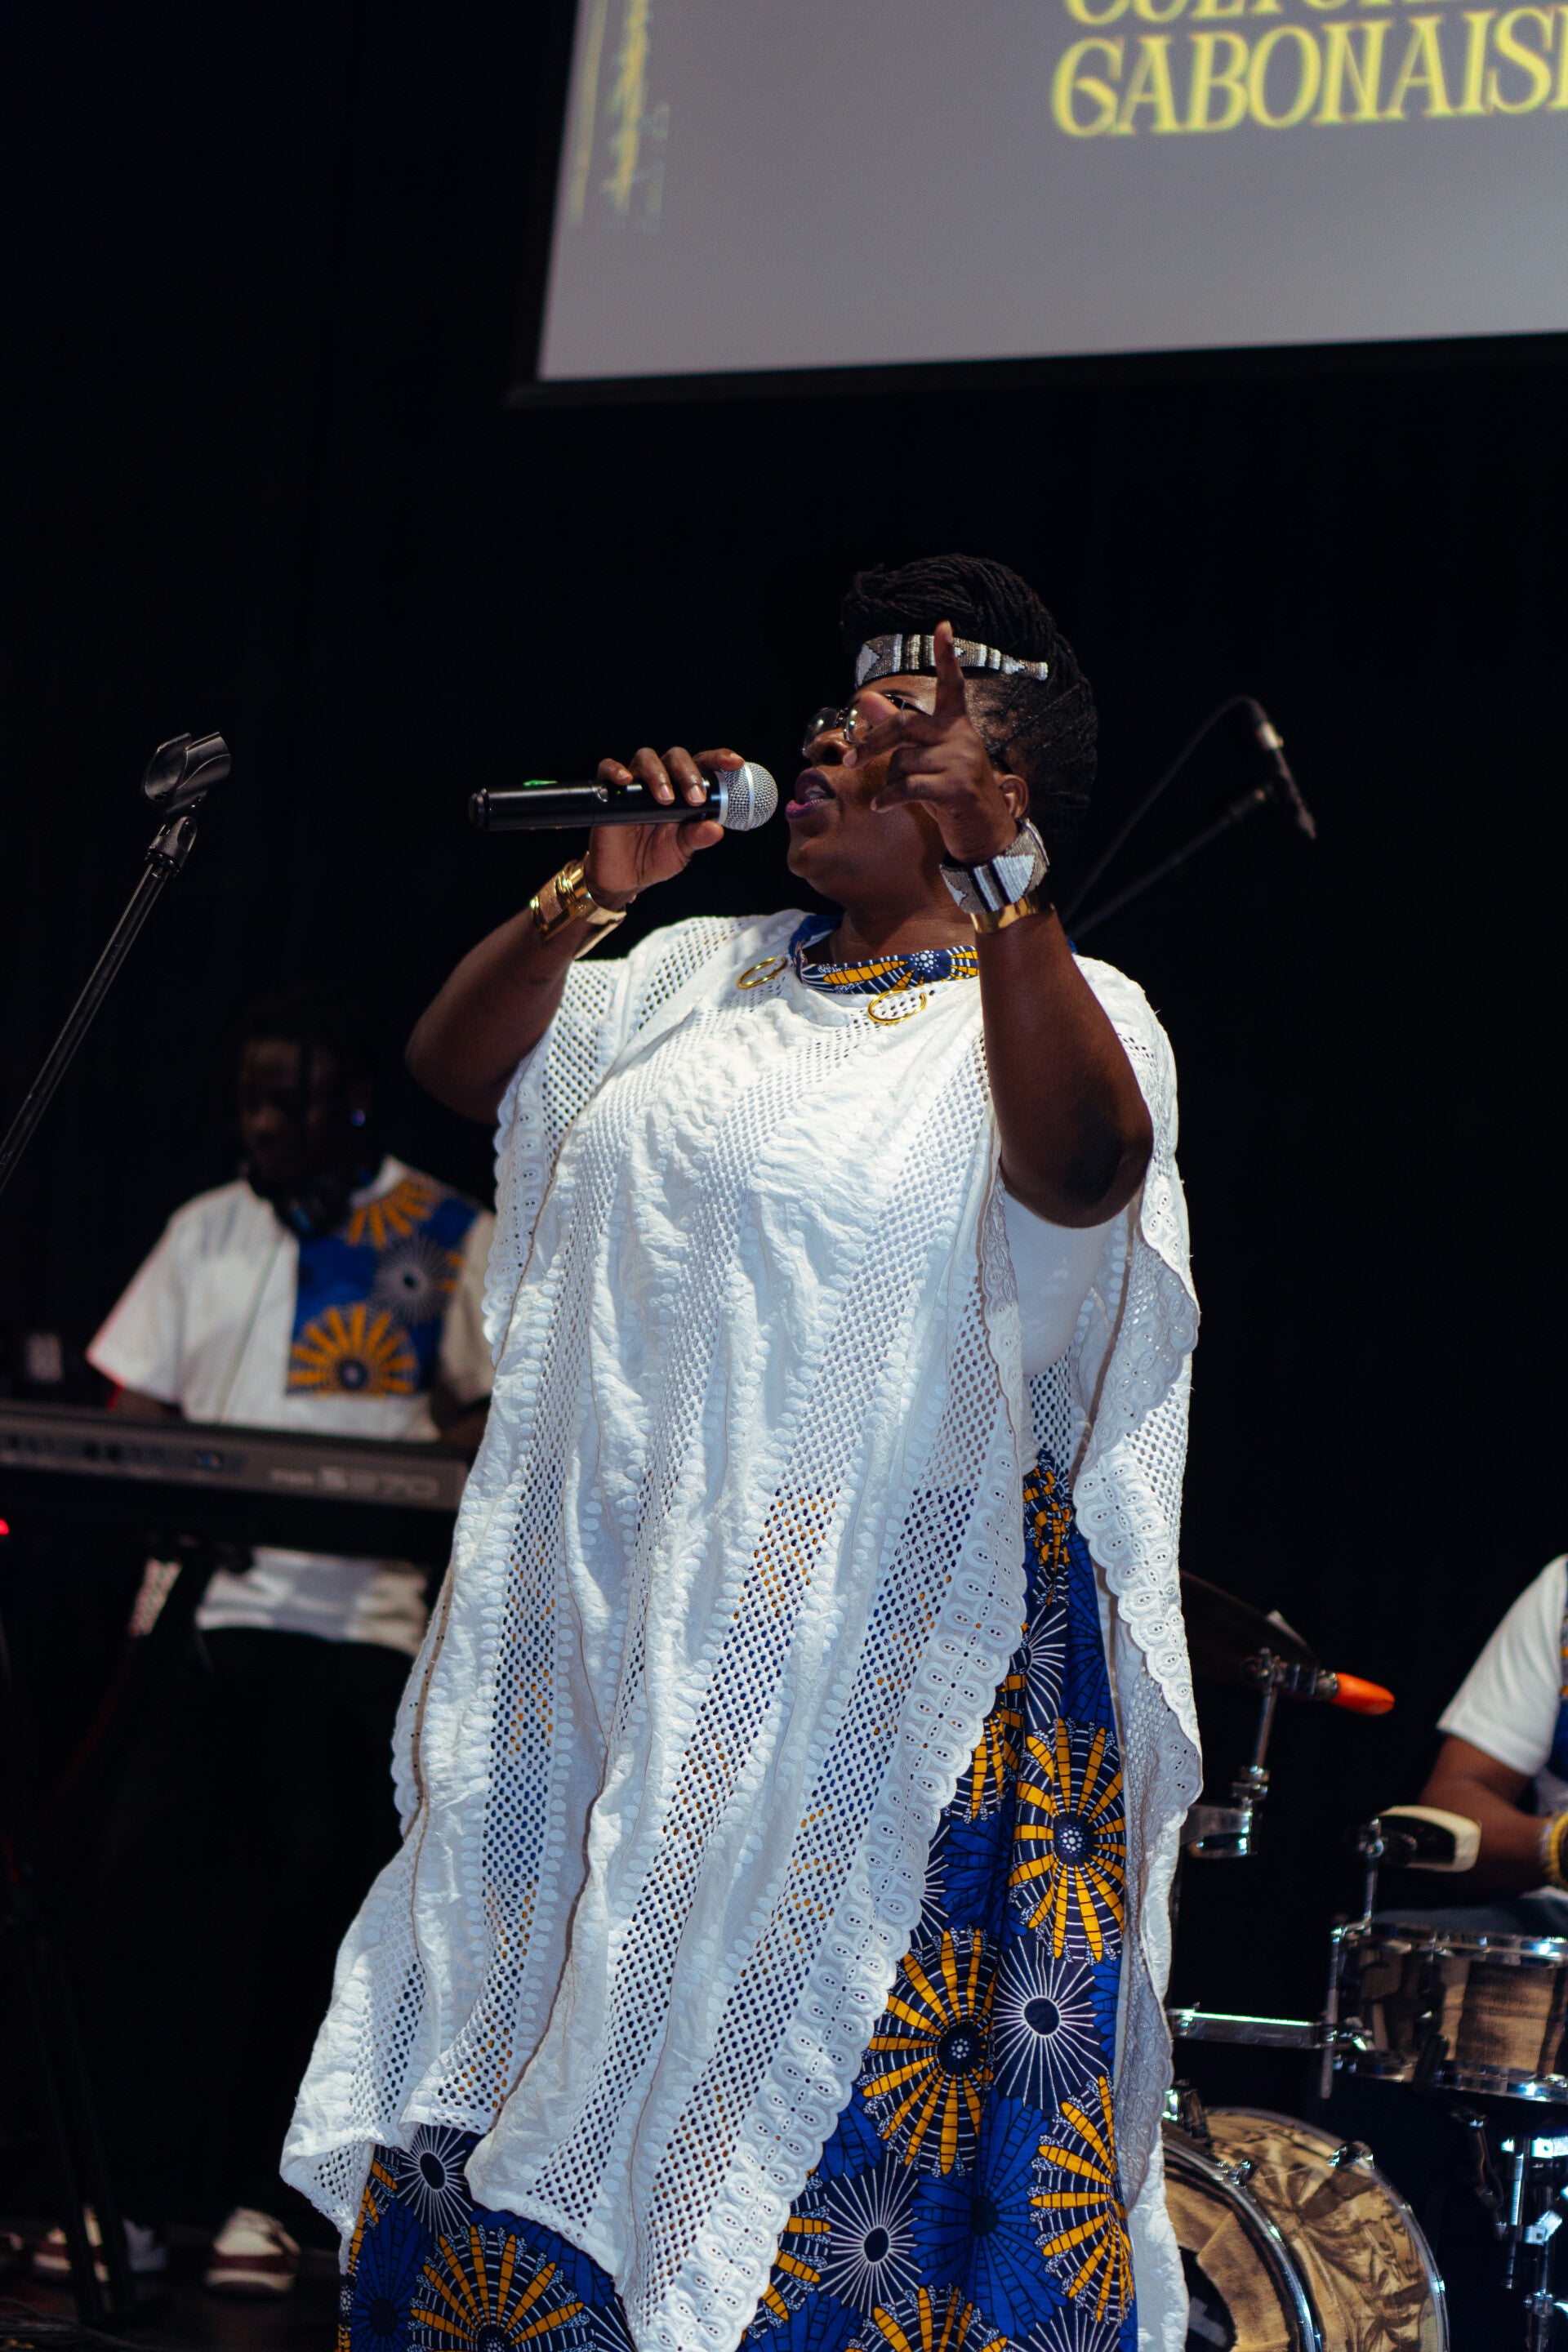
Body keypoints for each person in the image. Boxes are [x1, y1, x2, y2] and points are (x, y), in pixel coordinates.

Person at [287, 558, 1200, 2352]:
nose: (830, 741)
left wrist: (1008, 897)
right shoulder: (693, 974)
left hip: (878, 1678)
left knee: (801, 2170)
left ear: (996, 787)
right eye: (833, 714)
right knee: (532, 2029)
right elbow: (453, 1072)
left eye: (894, 727)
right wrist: (589, 895)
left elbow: (1086, 1175)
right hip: (613, 1637)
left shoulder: (1074, 1007)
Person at [48, 990, 494, 2296]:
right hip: (202, 1625)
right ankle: (130, 2203)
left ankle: (273, 2205)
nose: (265, 1124)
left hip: (364, 1628)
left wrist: (416, 1468)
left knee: (317, 1916)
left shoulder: (444, 1230)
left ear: (351, 1100)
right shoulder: (208, 1229)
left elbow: (492, 1411)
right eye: (250, 1099)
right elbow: (131, 1407)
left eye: (290, 1099)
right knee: (145, 1903)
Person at [1411, 1552, 1568, 1933]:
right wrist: (1558, 1844)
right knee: (1391, 1951)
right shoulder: (1563, 1584)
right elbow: (1454, 1800)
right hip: (1560, 1917)